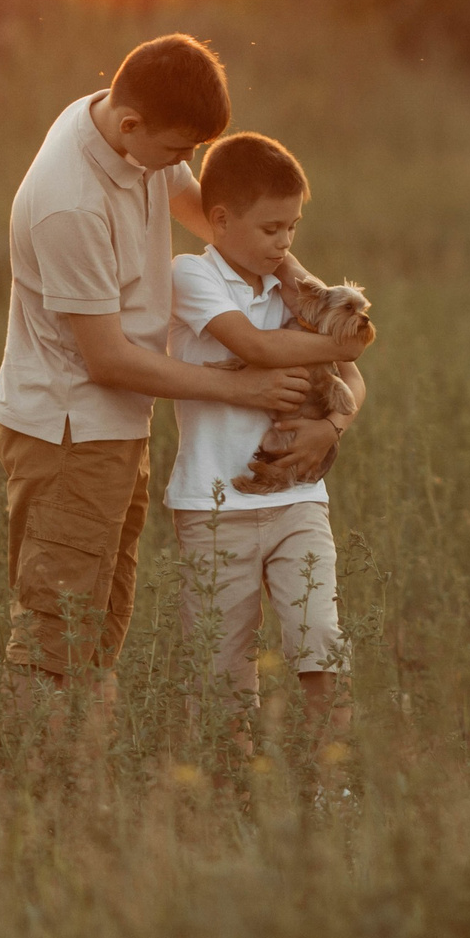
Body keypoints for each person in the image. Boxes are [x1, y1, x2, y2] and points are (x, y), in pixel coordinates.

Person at [0, 35, 332, 710]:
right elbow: (106, 358)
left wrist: (301, 283)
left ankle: (87, 789)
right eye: (179, 151)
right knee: (54, 640)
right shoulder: (69, 203)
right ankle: (35, 796)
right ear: (132, 125)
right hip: (68, 436)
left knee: (101, 627)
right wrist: (243, 386)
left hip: (115, 430)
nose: (186, 166)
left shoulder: (130, 135)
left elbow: (215, 219)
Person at [167, 132, 370, 748]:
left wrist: (330, 427)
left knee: (320, 639)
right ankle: (233, 788)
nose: (284, 243)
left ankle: (329, 782)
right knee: (221, 665)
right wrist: (342, 339)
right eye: (270, 229)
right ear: (220, 220)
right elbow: (257, 348)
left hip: (299, 501)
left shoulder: (289, 289)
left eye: (293, 228)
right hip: (214, 505)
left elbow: (353, 378)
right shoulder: (189, 276)